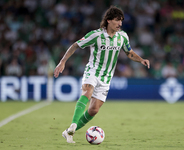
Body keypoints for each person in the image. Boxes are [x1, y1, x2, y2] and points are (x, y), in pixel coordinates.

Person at [54, 6, 150, 143]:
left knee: (94, 110)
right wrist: (62, 62)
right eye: (117, 20)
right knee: (87, 91)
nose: (120, 24)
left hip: (106, 77)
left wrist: (141, 60)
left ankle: (68, 132)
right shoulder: (96, 35)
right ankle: (73, 125)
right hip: (93, 71)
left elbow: (129, 52)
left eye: (121, 21)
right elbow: (76, 45)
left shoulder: (122, 36)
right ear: (108, 20)